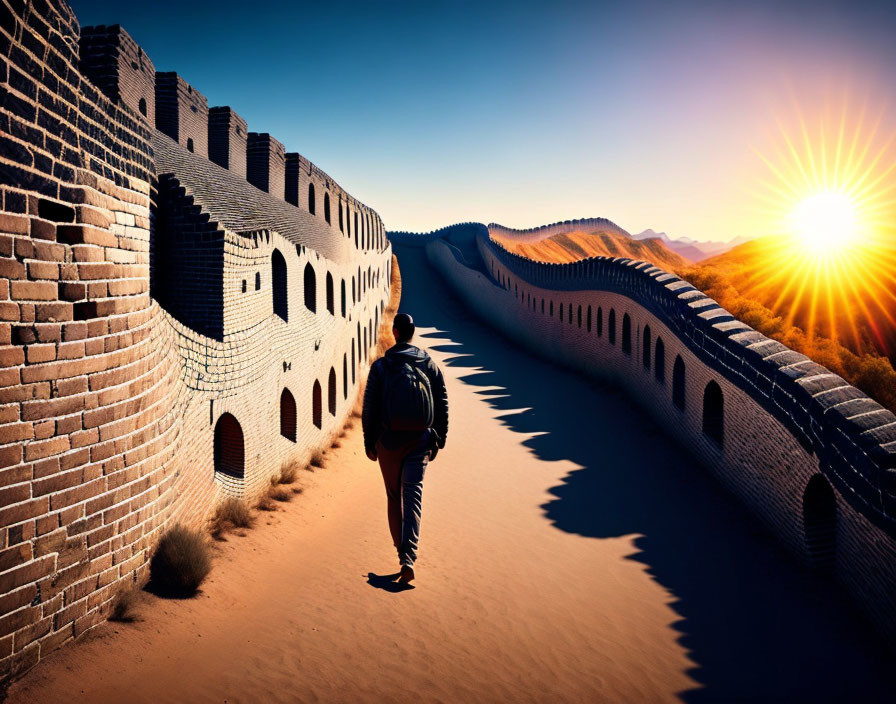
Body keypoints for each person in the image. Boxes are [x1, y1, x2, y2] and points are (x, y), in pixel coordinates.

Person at [362, 312, 448, 584]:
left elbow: (369, 408)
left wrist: (369, 441)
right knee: (413, 497)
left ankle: (401, 554)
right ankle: (409, 558)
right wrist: (439, 438)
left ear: (395, 333)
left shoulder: (381, 367)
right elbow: (442, 401)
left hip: (388, 441)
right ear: (412, 333)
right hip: (420, 440)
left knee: (392, 496)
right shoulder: (429, 364)